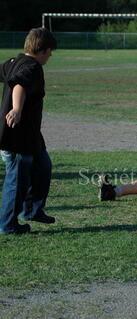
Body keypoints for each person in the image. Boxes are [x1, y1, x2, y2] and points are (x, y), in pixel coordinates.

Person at [0, 28, 57, 235]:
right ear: (43, 50)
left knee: (43, 166)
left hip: (31, 134)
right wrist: (16, 109)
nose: (50, 56)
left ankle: (32, 210)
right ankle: (8, 225)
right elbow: (19, 86)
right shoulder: (32, 66)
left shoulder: (14, 62)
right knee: (17, 181)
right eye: (50, 52)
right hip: (18, 135)